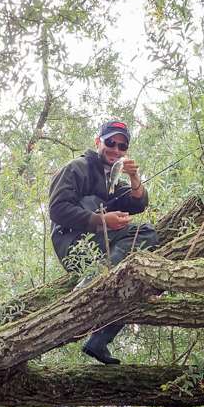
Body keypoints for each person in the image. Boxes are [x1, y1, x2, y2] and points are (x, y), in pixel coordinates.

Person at [49, 119, 158, 364]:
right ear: (98, 141)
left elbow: (138, 203)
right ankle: (92, 283)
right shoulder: (77, 167)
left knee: (134, 278)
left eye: (122, 146)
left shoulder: (112, 178)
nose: (116, 150)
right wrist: (102, 220)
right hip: (75, 246)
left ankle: (99, 341)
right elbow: (57, 209)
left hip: (99, 247)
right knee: (146, 234)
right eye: (111, 142)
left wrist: (134, 176)